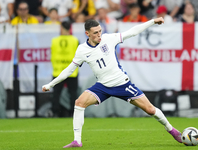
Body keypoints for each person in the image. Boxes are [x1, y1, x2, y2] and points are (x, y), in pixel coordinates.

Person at [42, 17, 182, 148]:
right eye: (95, 33)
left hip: (122, 84)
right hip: (102, 86)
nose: (99, 35)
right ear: (87, 34)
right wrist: (50, 85)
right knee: (79, 103)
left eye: (100, 31)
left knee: (150, 110)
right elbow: (68, 70)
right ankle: (77, 140)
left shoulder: (108, 39)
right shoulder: (82, 50)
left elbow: (132, 32)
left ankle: (173, 131)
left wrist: (152, 21)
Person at [50, 21, 79, 117]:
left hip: (58, 70)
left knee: (56, 94)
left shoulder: (54, 40)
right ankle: (73, 113)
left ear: (61, 28)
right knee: (73, 93)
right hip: (72, 71)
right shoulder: (75, 40)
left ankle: (55, 113)